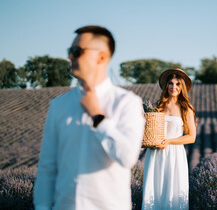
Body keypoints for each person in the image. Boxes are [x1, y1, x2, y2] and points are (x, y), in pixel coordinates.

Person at [33, 25, 145, 210]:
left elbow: (127, 157)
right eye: (70, 51)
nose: (69, 57)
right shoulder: (58, 106)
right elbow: (47, 167)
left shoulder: (127, 103)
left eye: (76, 51)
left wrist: (97, 116)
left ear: (101, 57)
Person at [142, 68, 197, 210]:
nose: (174, 87)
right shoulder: (156, 107)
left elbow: (191, 137)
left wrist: (169, 141)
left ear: (182, 87)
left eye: (178, 84)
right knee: (154, 192)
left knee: (173, 193)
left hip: (174, 155)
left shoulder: (186, 109)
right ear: (166, 85)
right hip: (155, 154)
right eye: (171, 83)